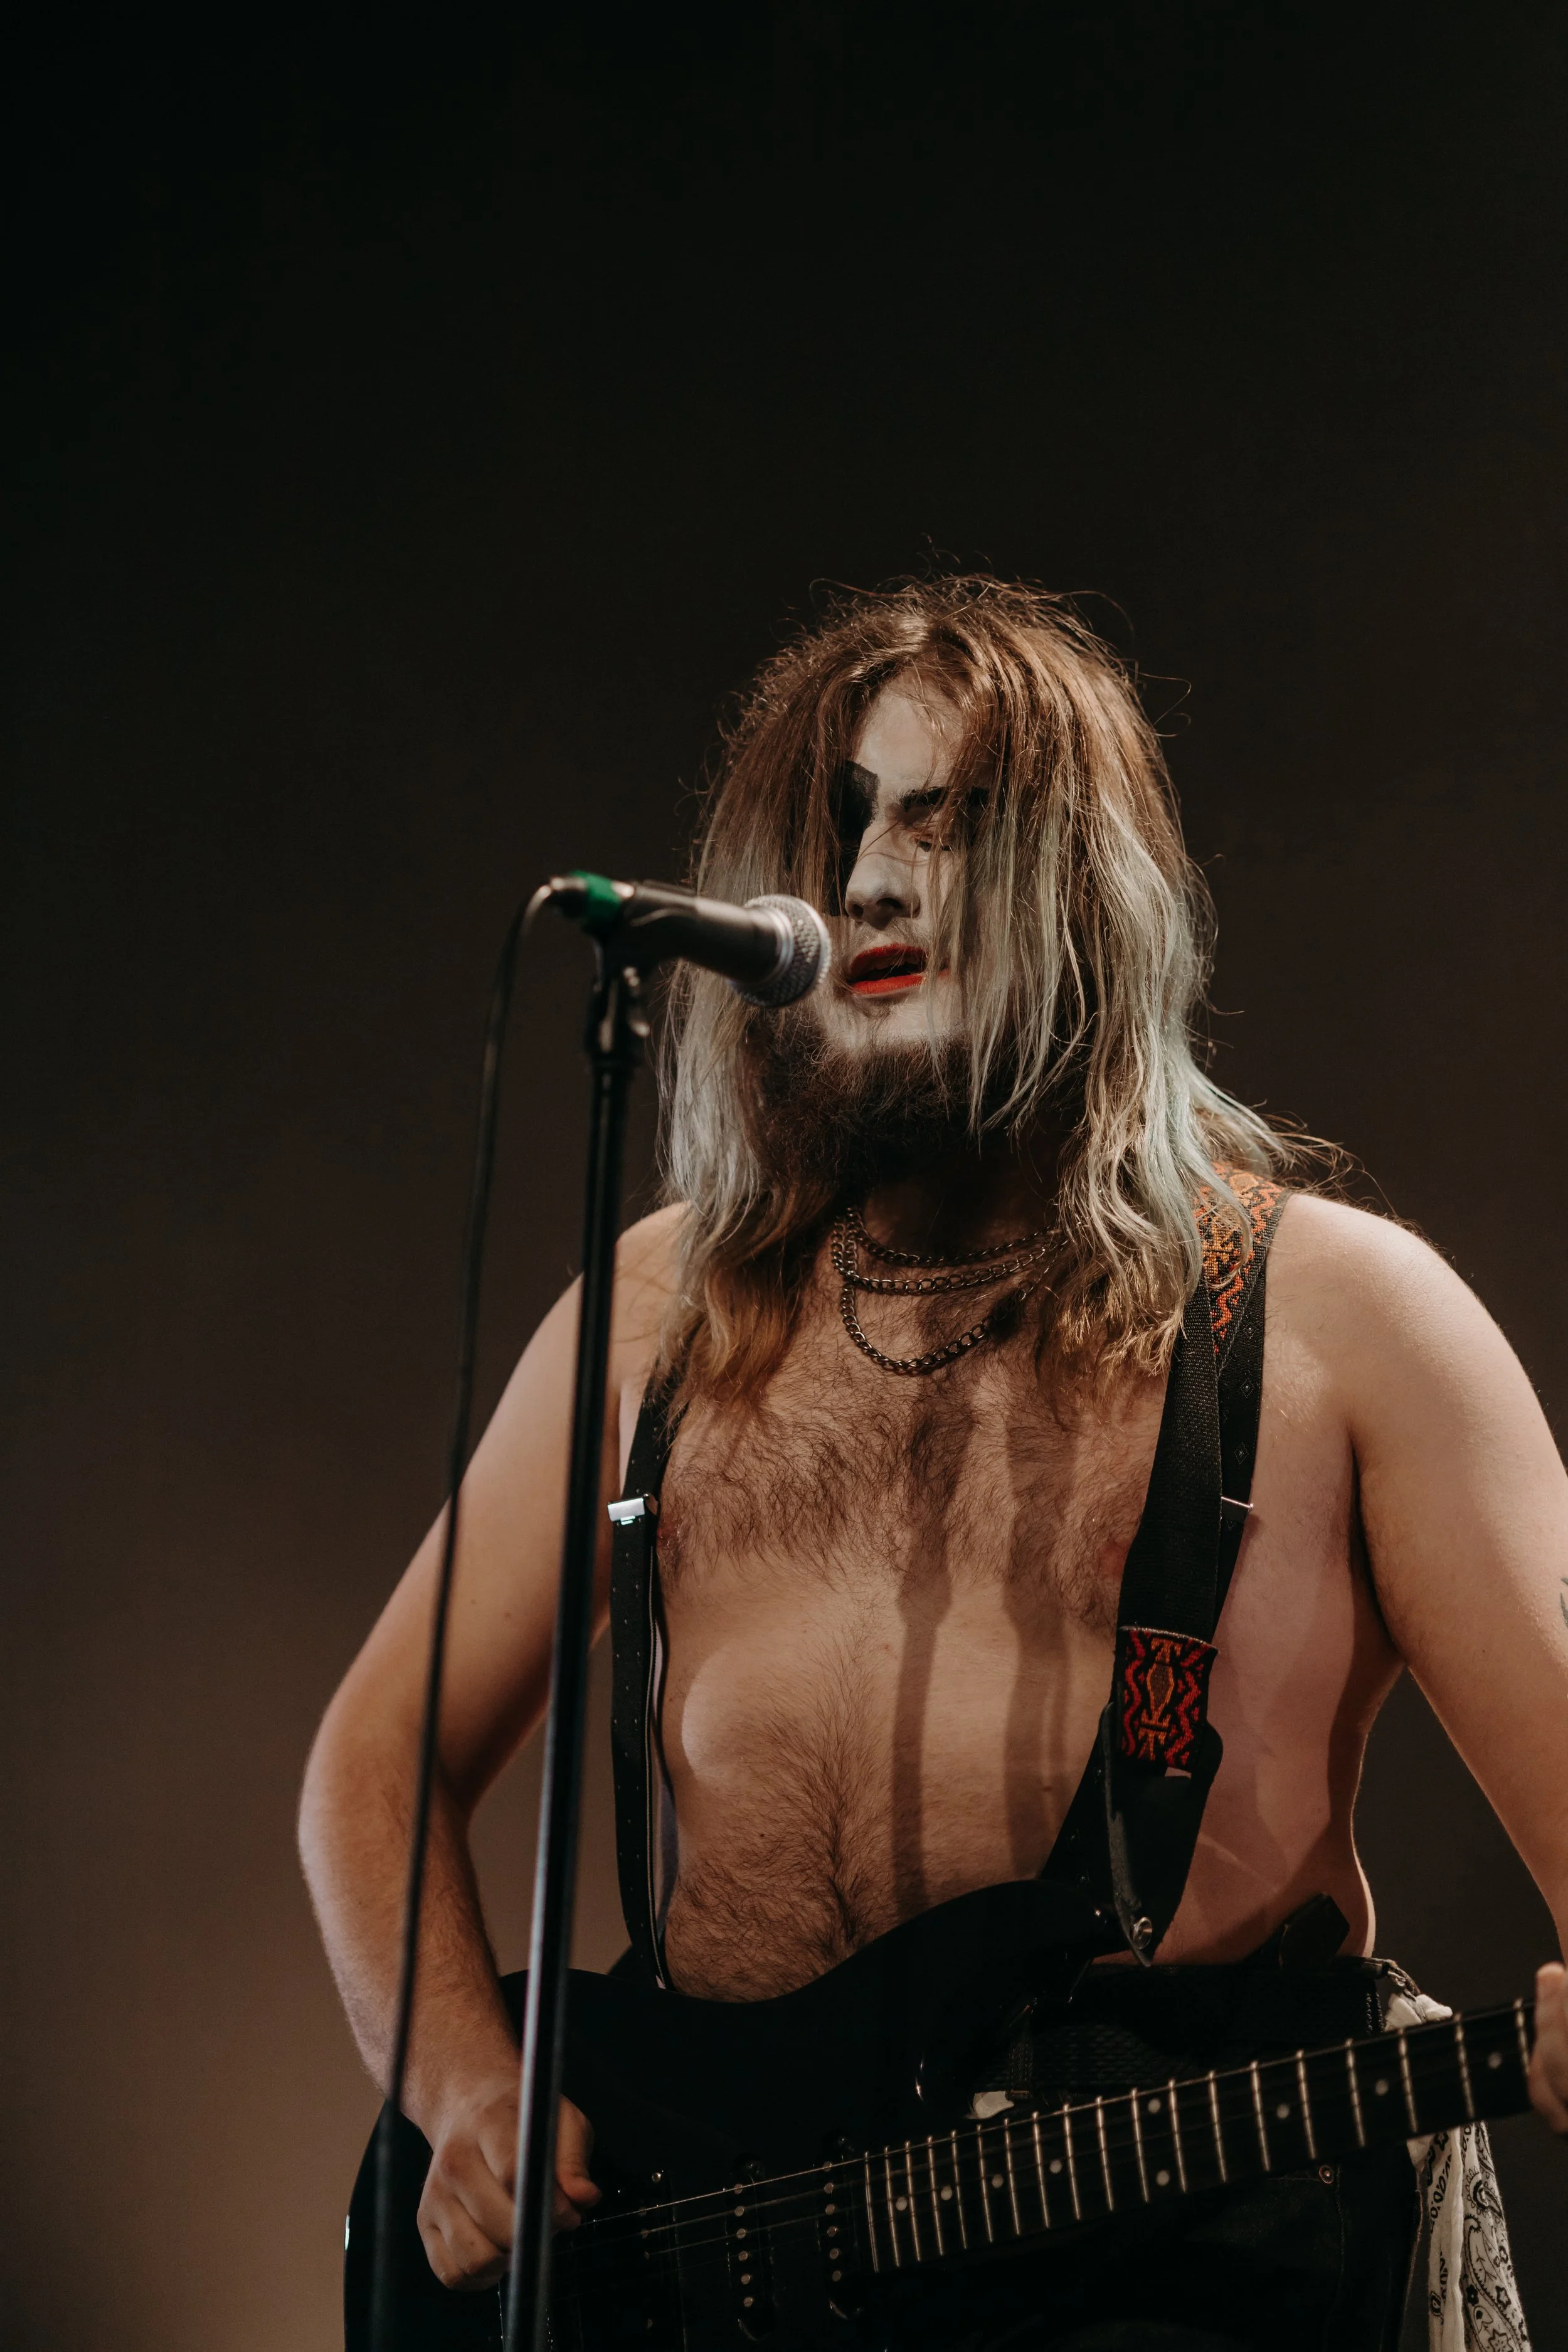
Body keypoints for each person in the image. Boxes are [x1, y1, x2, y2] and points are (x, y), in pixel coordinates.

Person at [300, 579, 1568, 2348]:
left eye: (939, 819)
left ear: (1088, 883)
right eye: (831, 827)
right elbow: (371, 1759)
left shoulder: (1347, 1326)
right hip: (694, 2283)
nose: (869, 878)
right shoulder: (666, 1309)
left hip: (1175, 2282)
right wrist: (457, 2088)